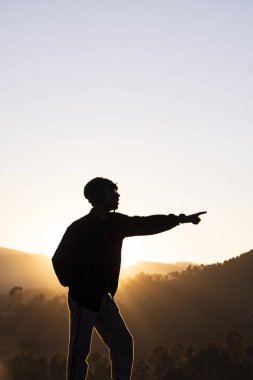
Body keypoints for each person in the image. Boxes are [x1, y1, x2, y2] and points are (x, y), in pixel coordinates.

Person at [52, 177, 206, 380]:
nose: (117, 194)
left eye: (116, 190)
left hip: (104, 299)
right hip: (83, 300)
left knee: (123, 343)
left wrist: (179, 219)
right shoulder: (79, 228)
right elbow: (58, 260)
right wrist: (80, 286)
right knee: (79, 353)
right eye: (112, 190)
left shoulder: (117, 223)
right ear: (98, 196)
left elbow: (146, 223)